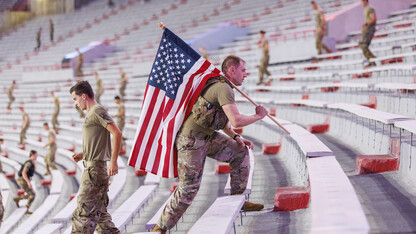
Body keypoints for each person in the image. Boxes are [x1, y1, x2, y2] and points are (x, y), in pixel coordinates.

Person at [152, 55, 268, 233]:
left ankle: (238, 199)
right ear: (232, 70)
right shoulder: (223, 88)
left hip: (206, 136)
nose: (246, 74)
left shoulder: (222, 86)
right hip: (191, 140)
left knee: (240, 151)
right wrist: (258, 116)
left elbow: (224, 122)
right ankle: (160, 227)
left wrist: (236, 137)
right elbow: (236, 119)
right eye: (243, 70)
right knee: (189, 187)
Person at [69, 81, 121, 233]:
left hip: (94, 171)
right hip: (94, 167)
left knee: (82, 215)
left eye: (75, 99)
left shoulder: (97, 111)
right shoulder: (94, 113)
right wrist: (84, 154)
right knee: (101, 218)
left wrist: (114, 162)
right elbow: (98, 141)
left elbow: (117, 133)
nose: (75, 103)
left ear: (84, 96)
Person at [13, 150, 37, 215]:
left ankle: (18, 199)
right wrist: (28, 182)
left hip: (23, 180)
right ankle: (26, 208)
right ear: (33, 154)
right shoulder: (29, 163)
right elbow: (24, 172)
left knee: (31, 194)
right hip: (22, 180)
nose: (37, 156)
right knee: (32, 194)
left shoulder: (31, 162)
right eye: (36, 155)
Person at [359, 0, 377, 67]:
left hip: (370, 28)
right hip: (367, 28)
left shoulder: (370, 8)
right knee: (363, 44)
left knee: (362, 44)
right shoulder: (366, 9)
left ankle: (372, 59)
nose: (360, 3)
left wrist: (366, 25)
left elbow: (373, 18)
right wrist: (364, 29)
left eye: (361, 1)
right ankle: (371, 60)